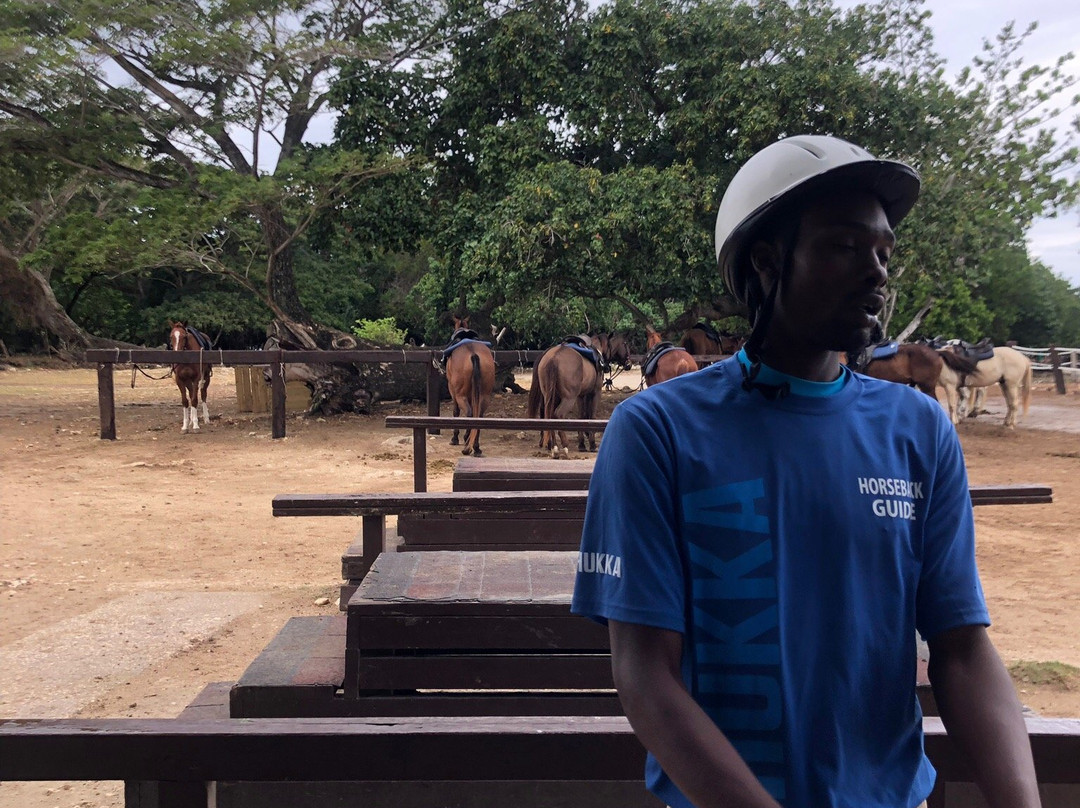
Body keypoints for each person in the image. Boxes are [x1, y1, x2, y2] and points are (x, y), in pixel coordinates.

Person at [571, 135, 1041, 808]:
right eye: (846, 247)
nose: (877, 272)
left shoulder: (919, 429)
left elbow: (962, 649)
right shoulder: (657, 430)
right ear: (766, 262)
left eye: (884, 252)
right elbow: (645, 675)